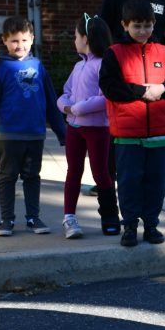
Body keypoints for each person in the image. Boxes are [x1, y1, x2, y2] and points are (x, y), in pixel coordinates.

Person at [99, 0, 165, 247]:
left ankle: (151, 224)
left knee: (156, 179)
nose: (143, 31)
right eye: (137, 25)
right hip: (127, 133)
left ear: (154, 24)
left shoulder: (164, 52)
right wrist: (141, 92)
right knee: (129, 180)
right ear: (125, 25)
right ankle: (130, 225)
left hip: (157, 132)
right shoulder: (115, 53)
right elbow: (110, 86)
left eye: (147, 25)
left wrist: (162, 89)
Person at [0, 16, 66, 236]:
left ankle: (33, 218)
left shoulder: (37, 65)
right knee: (7, 177)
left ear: (33, 39)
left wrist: (63, 132)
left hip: (35, 135)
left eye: (25, 40)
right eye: (14, 41)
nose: (20, 45)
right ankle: (7, 220)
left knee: (32, 177)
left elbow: (50, 101)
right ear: (4, 41)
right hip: (8, 135)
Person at [56, 14, 120, 239]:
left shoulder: (103, 65)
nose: (74, 41)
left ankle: (110, 216)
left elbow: (105, 98)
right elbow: (65, 93)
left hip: (97, 129)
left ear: (87, 38)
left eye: (75, 36)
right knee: (73, 172)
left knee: (101, 173)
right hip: (74, 128)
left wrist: (77, 108)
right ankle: (69, 218)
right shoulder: (77, 67)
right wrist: (65, 107)